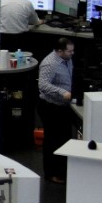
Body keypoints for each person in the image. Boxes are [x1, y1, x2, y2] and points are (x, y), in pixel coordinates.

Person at [37, 37, 75, 184]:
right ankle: (52, 174)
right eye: (69, 51)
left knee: (63, 139)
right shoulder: (50, 64)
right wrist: (61, 92)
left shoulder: (67, 59)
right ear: (60, 51)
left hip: (62, 106)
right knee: (53, 141)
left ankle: (62, 171)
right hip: (50, 107)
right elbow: (43, 85)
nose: (72, 53)